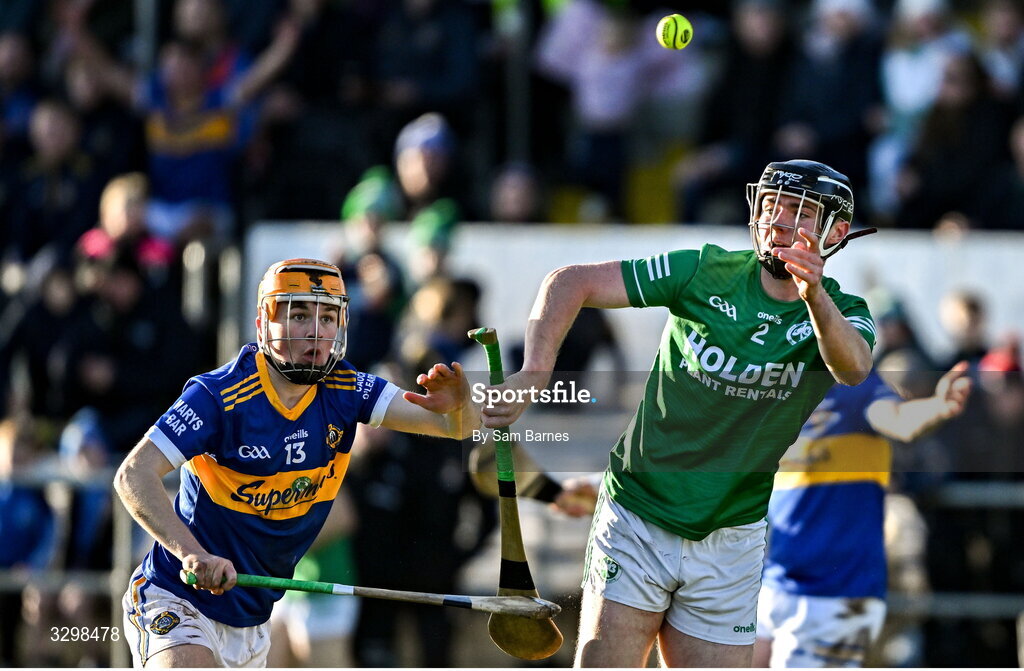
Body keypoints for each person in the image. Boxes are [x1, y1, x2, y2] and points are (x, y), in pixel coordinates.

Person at [482, 159, 876, 667]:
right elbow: (571, 281)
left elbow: (854, 368)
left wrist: (814, 296)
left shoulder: (844, 311)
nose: (778, 220)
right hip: (638, 513)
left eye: (798, 211)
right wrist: (533, 375)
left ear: (835, 232)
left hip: (732, 535)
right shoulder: (702, 270)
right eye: (772, 205)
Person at [113, 258, 480, 667]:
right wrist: (192, 553)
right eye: (299, 314)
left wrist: (460, 407)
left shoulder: (348, 389)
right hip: (176, 598)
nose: (315, 331)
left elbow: (456, 427)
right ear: (264, 322)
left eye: (327, 317)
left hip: (251, 622)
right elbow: (133, 475)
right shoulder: (219, 396)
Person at [753, 363, 972, 668]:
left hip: (838, 595)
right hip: (772, 583)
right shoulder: (779, 389)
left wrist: (937, 407)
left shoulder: (858, 386)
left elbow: (901, 420)